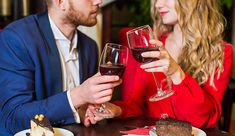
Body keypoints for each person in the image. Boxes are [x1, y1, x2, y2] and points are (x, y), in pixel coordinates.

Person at [85, 0, 233, 128]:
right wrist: (117, 110)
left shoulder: (221, 53)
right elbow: (137, 105)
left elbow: (203, 120)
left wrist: (176, 74)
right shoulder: (152, 46)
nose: (158, 4)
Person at [0, 0, 122, 136]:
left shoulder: (90, 47)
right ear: (61, 2)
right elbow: (14, 118)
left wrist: (83, 112)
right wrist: (79, 95)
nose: (98, 1)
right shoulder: (17, 38)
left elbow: (78, 110)